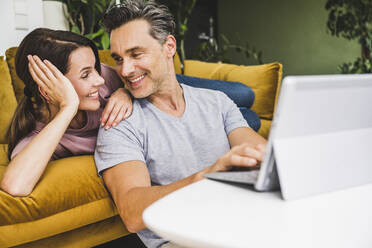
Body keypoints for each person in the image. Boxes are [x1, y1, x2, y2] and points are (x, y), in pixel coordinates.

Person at [94, 1, 267, 247]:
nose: (126, 69)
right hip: (182, 239)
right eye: (118, 59)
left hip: (242, 223)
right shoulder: (120, 122)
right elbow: (132, 213)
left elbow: (261, 154)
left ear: (169, 46)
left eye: (136, 54)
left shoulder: (217, 101)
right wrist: (205, 178)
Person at [0, 28, 133, 197]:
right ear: (48, 90)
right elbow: (15, 186)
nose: (99, 80)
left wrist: (126, 92)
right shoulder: (38, 136)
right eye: (85, 75)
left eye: (95, 69)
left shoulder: (104, 79)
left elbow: (149, 83)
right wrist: (68, 107)